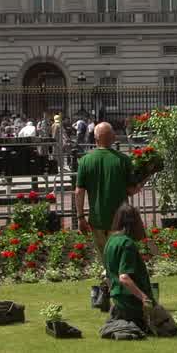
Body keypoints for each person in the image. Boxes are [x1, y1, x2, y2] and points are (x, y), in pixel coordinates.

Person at [74, 121, 134, 307]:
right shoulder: (123, 160)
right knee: (120, 260)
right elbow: (131, 190)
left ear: (95, 138)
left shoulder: (86, 160)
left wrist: (80, 217)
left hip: (97, 219)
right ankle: (117, 297)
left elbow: (79, 192)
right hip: (120, 221)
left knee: (106, 260)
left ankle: (107, 294)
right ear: (113, 138)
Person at [102, 204, 157, 336]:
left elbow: (108, 274)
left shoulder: (110, 241)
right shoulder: (127, 243)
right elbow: (124, 277)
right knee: (166, 328)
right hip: (131, 301)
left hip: (118, 300)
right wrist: (144, 298)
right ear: (133, 223)